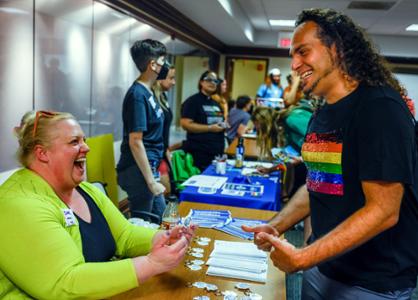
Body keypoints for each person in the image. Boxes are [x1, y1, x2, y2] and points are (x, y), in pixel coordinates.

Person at [243, 8, 418, 300]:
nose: (295, 65)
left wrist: (302, 258)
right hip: (321, 267)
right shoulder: (322, 113)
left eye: (303, 52)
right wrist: (276, 226)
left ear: (336, 48)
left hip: (371, 283)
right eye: (293, 57)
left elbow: (384, 211)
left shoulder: (380, 107)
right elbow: (318, 185)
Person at [0, 111, 195, 299]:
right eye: (74, 142)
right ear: (42, 153)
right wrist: (150, 264)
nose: (86, 147)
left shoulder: (85, 189)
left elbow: (124, 236)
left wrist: (164, 238)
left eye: (83, 140)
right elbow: (65, 282)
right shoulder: (18, 204)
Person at [117, 39, 170, 221]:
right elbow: (136, 141)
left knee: (159, 221)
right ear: (153, 65)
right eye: (163, 61)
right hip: (137, 171)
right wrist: (151, 181)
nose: (166, 66)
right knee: (144, 224)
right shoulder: (137, 95)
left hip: (149, 167)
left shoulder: (149, 92)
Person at [180, 70, 225, 171]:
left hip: (217, 153)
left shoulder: (216, 103)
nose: (212, 83)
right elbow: (185, 124)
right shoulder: (192, 102)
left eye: (215, 81)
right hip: (199, 153)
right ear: (201, 82)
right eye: (209, 79)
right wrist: (210, 128)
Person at [153, 65, 176, 194]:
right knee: (164, 192)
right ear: (160, 79)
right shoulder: (150, 99)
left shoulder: (163, 97)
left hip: (162, 152)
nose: (174, 82)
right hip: (153, 157)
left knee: (167, 192)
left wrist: (167, 149)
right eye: (171, 78)